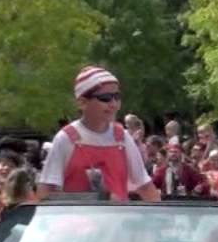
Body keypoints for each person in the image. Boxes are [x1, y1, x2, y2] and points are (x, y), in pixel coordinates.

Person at [37, 67, 159, 202]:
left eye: (117, 97)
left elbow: (145, 186)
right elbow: (46, 193)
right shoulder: (66, 138)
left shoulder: (122, 137)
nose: (113, 104)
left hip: (117, 221)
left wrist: (161, 220)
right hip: (77, 221)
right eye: (105, 98)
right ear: (82, 102)